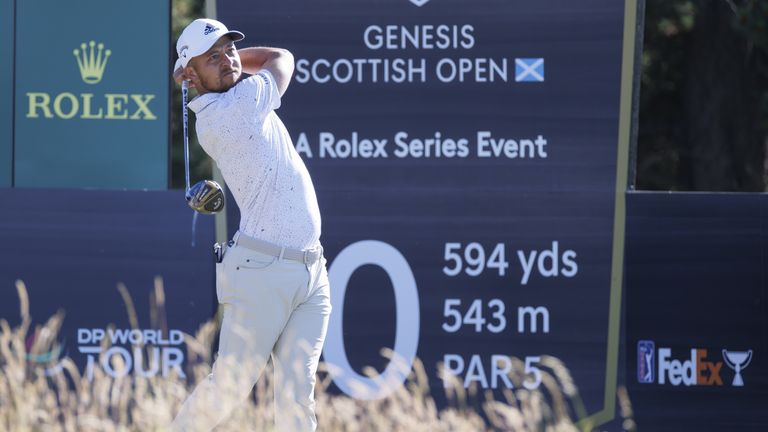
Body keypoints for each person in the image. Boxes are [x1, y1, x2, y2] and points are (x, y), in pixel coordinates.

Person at [169, 18, 331, 432]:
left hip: (312, 270)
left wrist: (219, 63)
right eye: (213, 57)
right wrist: (236, 65)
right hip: (263, 272)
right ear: (190, 75)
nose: (228, 61)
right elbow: (280, 58)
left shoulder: (239, 90)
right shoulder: (231, 110)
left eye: (230, 50)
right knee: (228, 387)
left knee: (299, 397)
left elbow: (244, 67)